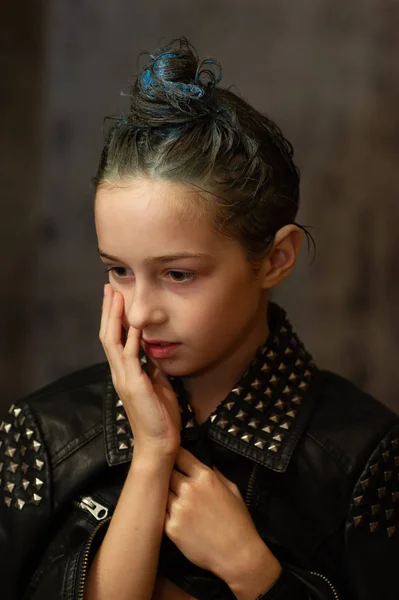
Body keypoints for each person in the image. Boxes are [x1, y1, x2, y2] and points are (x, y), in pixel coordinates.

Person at [1, 37, 398, 600]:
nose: (140, 312)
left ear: (274, 258)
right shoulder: (44, 434)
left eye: (179, 274)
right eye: (118, 270)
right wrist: (151, 459)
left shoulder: (365, 458)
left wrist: (254, 571)